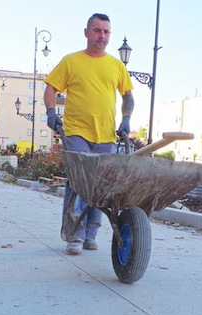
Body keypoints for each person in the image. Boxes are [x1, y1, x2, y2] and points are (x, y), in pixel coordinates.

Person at [44, 13, 134, 255]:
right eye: (97, 30)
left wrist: (126, 118)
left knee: (101, 188)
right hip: (76, 132)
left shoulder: (116, 65)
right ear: (86, 33)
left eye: (106, 31)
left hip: (105, 136)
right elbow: (51, 88)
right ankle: (74, 235)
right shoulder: (71, 61)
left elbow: (128, 96)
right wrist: (51, 111)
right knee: (79, 182)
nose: (101, 36)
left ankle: (90, 233)